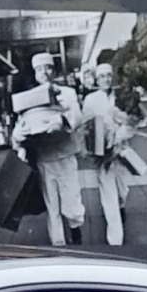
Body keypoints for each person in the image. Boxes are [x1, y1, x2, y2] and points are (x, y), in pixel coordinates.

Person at [14, 51, 86, 246]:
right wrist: (17, 137)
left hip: (65, 155)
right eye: (39, 69)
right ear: (35, 73)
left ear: (53, 70)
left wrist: (62, 119)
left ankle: (75, 232)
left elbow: (78, 118)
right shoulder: (29, 98)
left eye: (47, 68)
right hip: (43, 158)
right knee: (52, 207)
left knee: (71, 205)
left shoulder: (67, 93)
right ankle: (59, 245)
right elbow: (20, 126)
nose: (43, 73)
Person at [79, 61, 136, 248]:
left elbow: (132, 122)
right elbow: (85, 126)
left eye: (108, 76)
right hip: (101, 154)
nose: (106, 79)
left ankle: (121, 206)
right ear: (97, 79)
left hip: (121, 151)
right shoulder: (91, 100)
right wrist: (89, 147)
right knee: (108, 197)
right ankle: (115, 242)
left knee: (123, 191)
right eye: (102, 76)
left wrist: (121, 131)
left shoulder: (120, 97)